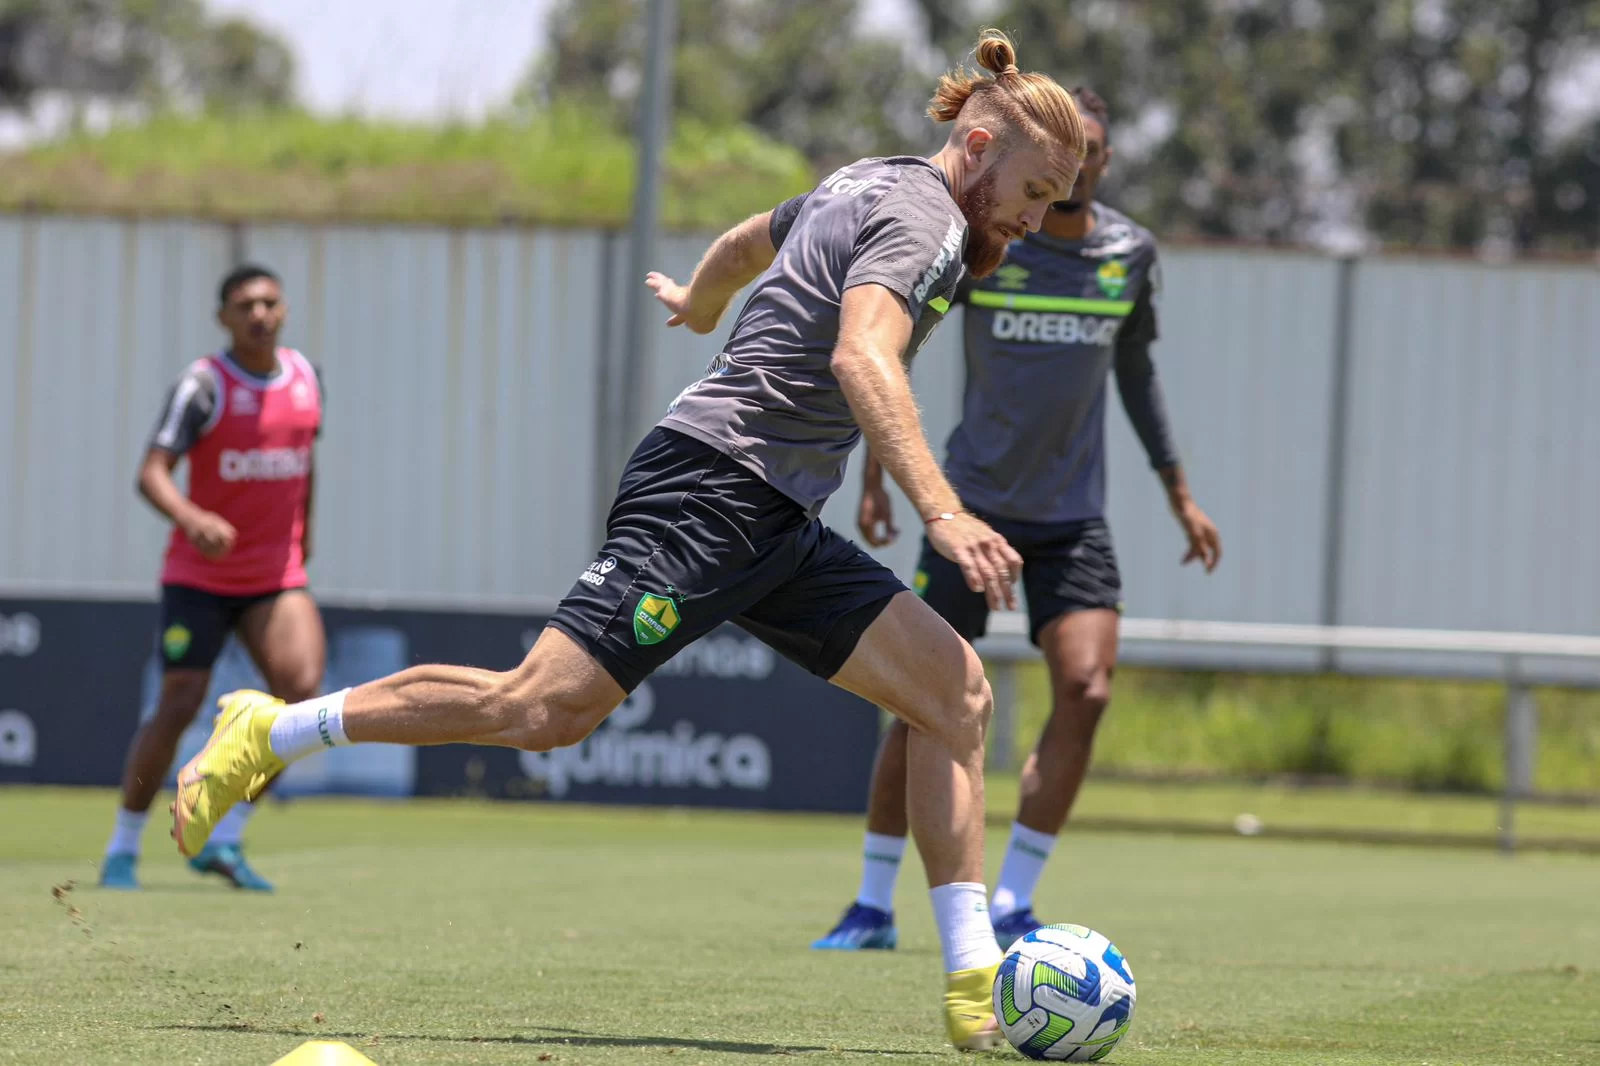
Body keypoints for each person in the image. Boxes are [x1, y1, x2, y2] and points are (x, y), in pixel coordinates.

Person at [164, 31, 1084, 1050]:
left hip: (773, 515)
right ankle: (272, 730)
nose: (1037, 220)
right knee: (538, 710)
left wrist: (701, 299)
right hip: (709, 490)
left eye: (1052, 201)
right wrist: (944, 511)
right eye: (1035, 190)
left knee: (953, 693)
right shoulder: (925, 223)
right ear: (980, 140)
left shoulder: (871, 179)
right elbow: (863, 356)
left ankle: (970, 980)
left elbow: (752, 238)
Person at [812, 88, 1222, 953]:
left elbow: (1139, 381)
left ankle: (1015, 900)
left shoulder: (1128, 255)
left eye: (1096, 154)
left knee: (1088, 687)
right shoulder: (987, 241)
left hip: (1072, 520)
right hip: (972, 508)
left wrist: (1179, 494)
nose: (1079, 169)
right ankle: (872, 902)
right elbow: (897, 342)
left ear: (1100, 163)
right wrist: (882, 476)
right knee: (922, 699)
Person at [98, 264, 326, 892]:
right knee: (177, 705)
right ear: (222, 317)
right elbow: (151, 472)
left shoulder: (306, 379)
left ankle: (224, 841)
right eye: (245, 304)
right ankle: (122, 848)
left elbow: (306, 470)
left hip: (276, 576)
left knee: (303, 699)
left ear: (284, 310)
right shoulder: (204, 386)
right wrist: (191, 516)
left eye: (270, 302)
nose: (259, 313)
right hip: (200, 575)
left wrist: (303, 545)